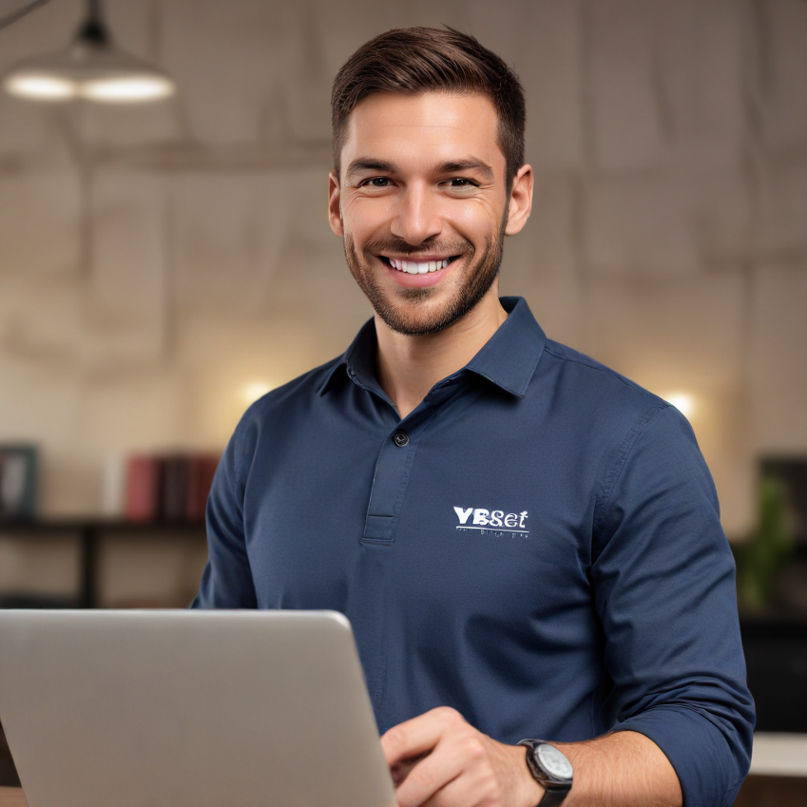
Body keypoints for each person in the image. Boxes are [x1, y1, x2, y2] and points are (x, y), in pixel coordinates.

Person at [193, 26, 754, 807]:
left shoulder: (633, 441)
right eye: (377, 180)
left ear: (515, 197)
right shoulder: (266, 435)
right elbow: (210, 692)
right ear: (335, 201)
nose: (416, 223)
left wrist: (526, 772)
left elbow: (708, 732)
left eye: (457, 181)